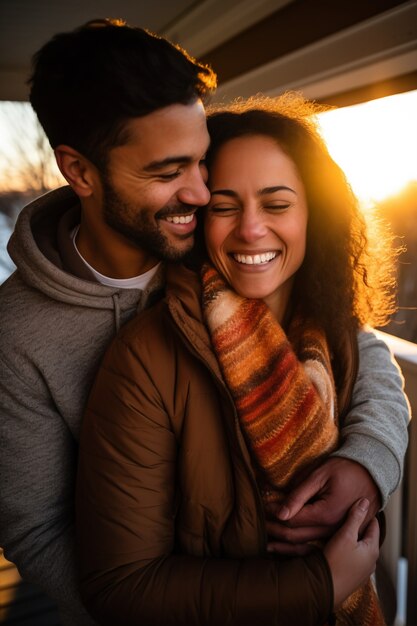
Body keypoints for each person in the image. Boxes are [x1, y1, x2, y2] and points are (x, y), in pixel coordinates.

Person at [0, 17, 408, 626]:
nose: (198, 192)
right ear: (79, 172)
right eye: (168, 172)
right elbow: (37, 530)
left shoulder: (211, 246)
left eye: (201, 164)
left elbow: (354, 341)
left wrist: (370, 459)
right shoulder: (19, 335)